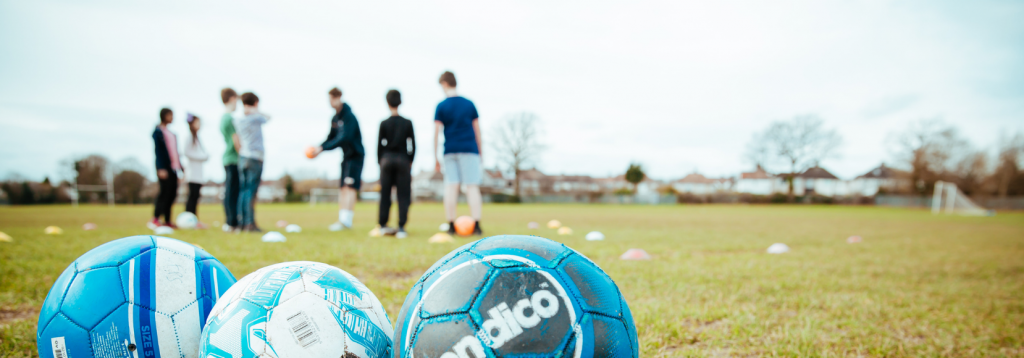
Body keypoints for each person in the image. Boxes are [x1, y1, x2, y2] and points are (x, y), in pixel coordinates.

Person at [434, 71, 483, 235]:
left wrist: (435, 156)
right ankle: (476, 224)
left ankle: (450, 225)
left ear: (445, 84)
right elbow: (477, 131)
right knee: (471, 186)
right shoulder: (469, 104)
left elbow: (436, 133)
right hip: (469, 149)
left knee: (451, 186)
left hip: (450, 150)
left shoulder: (441, 106)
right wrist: (481, 152)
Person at [310, 87, 365, 231]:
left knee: (350, 187)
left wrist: (323, 148)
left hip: (355, 156)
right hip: (346, 157)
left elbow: (344, 138)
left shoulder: (349, 117)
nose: (330, 102)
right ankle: (341, 219)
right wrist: (320, 147)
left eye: (332, 99)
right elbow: (331, 137)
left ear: (339, 97)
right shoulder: (335, 118)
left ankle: (347, 221)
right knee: (342, 188)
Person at [376, 90, 416, 239]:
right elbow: (413, 144)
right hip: (403, 160)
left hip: (386, 160)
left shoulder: (384, 123)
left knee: (385, 194)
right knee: (403, 195)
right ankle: (401, 227)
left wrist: (380, 161)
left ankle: (383, 225)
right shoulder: (407, 123)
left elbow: (379, 146)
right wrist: (410, 160)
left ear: (387, 102)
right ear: (401, 101)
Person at [234, 92, 268, 233]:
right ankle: (249, 223)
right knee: (250, 191)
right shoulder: (255, 118)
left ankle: (242, 222)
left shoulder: (238, 118)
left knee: (243, 190)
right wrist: (255, 110)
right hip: (254, 158)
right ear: (255, 103)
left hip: (242, 157)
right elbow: (268, 118)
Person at [151, 108, 181, 228]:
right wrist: (161, 167)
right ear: (164, 116)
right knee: (164, 193)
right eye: (170, 115)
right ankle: (156, 218)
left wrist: (181, 167)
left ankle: (167, 220)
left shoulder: (172, 133)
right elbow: (158, 151)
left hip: (174, 168)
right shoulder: (158, 132)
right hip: (164, 168)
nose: (172, 118)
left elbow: (175, 152)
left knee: (172, 194)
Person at [219, 88, 241, 232]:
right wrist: (243, 154)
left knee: (230, 190)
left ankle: (230, 222)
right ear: (232, 99)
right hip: (233, 159)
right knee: (232, 192)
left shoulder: (223, 118)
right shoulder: (229, 118)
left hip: (228, 159)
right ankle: (231, 222)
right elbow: (235, 139)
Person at [183, 113, 209, 229]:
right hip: (192, 173)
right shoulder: (190, 137)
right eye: (198, 122)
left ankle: (194, 220)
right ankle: (189, 220)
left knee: (196, 197)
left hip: (198, 174)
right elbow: (187, 152)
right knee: (192, 197)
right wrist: (202, 156)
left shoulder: (197, 138)